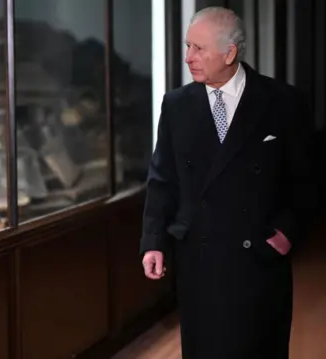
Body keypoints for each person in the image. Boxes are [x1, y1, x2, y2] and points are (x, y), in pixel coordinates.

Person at [140, 7, 318, 359]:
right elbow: (162, 180)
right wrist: (153, 241)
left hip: (260, 262)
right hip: (199, 262)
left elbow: (308, 180)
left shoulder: (283, 101)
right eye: (187, 45)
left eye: (199, 48)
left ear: (230, 52)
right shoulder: (176, 105)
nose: (188, 57)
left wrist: (286, 233)